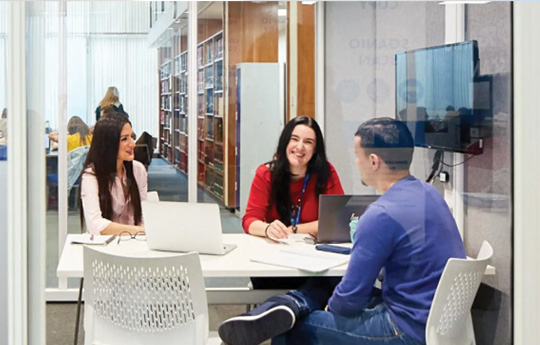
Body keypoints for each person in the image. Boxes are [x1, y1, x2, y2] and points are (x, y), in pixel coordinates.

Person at [218, 117, 466, 345]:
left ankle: (290, 308)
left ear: (373, 161)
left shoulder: (379, 214)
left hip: (403, 328)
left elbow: (348, 300)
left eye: (357, 156)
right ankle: (291, 305)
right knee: (327, 287)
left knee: (287, 328)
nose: (356, 163)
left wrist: (326, 311)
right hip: (439, 321)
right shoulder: (429, 193)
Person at [242, 115, 344, 289]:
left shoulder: (326, 173)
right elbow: (250, 220)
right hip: (274, 259)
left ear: (315, 149)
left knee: (329, 279)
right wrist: (268, 229)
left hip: (315, 260)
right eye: (294, 139)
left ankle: (290, 308)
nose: (300, 147)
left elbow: (338, 221)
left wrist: (294, 229)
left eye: (308, 142)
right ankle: (293, 307)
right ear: (285, 143)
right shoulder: (266, 174)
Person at [80, 112, 147, 235]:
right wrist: (139, 231)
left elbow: (143, 216)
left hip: (134, 243)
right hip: (103, 246)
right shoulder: (91, 176)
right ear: (108, 144)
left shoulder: (138, 170)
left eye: (132, 137)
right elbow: (95, 225)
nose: (133, 144)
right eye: (124, 139)